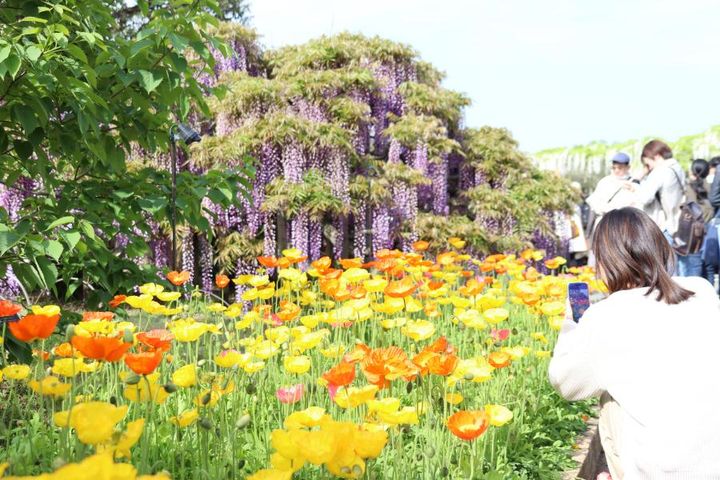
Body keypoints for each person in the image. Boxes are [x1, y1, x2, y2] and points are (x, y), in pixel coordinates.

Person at [549, 207, 720, 479]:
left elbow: (565, 383)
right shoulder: (702, 291)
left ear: (606, 262)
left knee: (610, 398)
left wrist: (571, 324)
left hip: (660, 471)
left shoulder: (604, 317)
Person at [624, 140, 685, 242]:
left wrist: (635, 186)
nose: (649, 167)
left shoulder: (660, 171)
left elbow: (645, 198)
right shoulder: (677, 167)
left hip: (665, 227)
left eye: (648, 163)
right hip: (678, 222)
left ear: (656, 156)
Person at [584, 152, 635, 265]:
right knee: (600, 257)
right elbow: (595, 205)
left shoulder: (634, 183)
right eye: (614, 168)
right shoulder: (605, 182)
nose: (616, 171)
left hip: (624, 226)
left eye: (620, 168)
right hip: (605, 222)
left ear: (628, 167)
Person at [677, 159, 714, 277]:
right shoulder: (711, 188)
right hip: (706, 229)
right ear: (707, 172)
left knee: (689, 264)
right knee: (703, 265)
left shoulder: (687, 188)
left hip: (690, 231)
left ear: (692, 171)